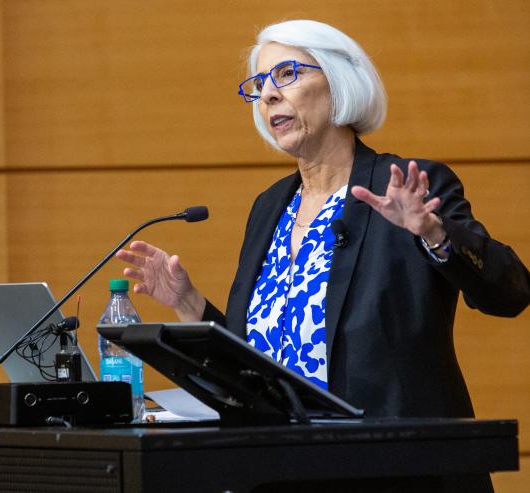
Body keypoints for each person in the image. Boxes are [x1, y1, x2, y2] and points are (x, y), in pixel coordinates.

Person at [117, 18, 529, 424]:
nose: (269, 96)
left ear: (338, 81)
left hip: (394, 468)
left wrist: (435, 233)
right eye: (261, 85)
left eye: (286, 74)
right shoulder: (269, 207)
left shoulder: (406, 186)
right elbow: (253, 369)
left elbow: (509, 293)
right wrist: (189, 304)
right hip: (286, 467)